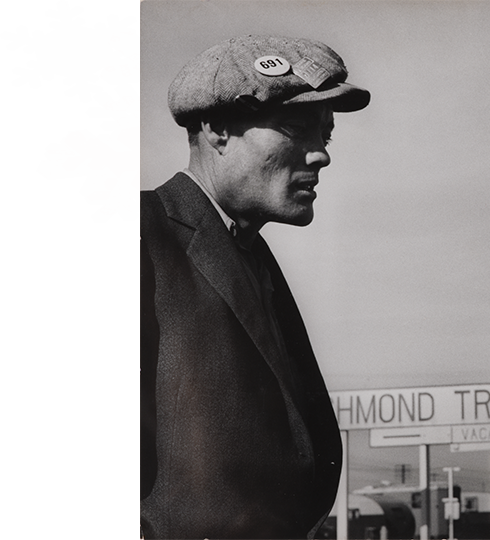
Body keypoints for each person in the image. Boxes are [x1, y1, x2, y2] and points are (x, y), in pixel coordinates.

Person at [141, 35, 370, 539]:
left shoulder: (250, 254)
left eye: (326, 136)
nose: (321, 156)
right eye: (295, 128)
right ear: (218, 129)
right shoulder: (137, 234)